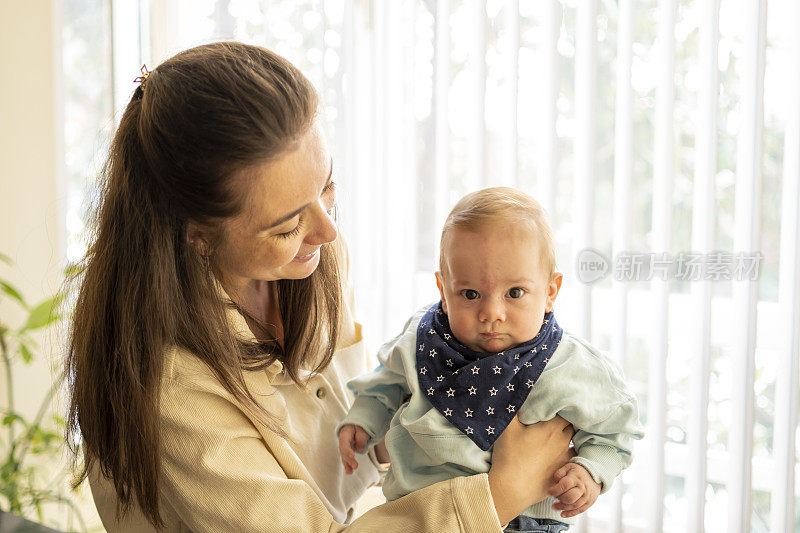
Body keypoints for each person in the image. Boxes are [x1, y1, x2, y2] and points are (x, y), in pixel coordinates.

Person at [65, 42, 575, 532]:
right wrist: (503, 491)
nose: (328, 231)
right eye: (286, 227)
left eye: (327, 187)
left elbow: (347, 429)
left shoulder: (313, 259)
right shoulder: (170, 388)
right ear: (198, 236)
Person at [338, 188, 644, 532]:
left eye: (515, 293)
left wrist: (590, 470)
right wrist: (364, 417)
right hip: (423, 513)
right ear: (443, 290)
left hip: (529, 520)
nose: (491, 313)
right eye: (470, 294)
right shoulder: (421, 341)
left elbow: (617, 427)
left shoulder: (571, 364)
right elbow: (387, 380)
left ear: (550, 292)